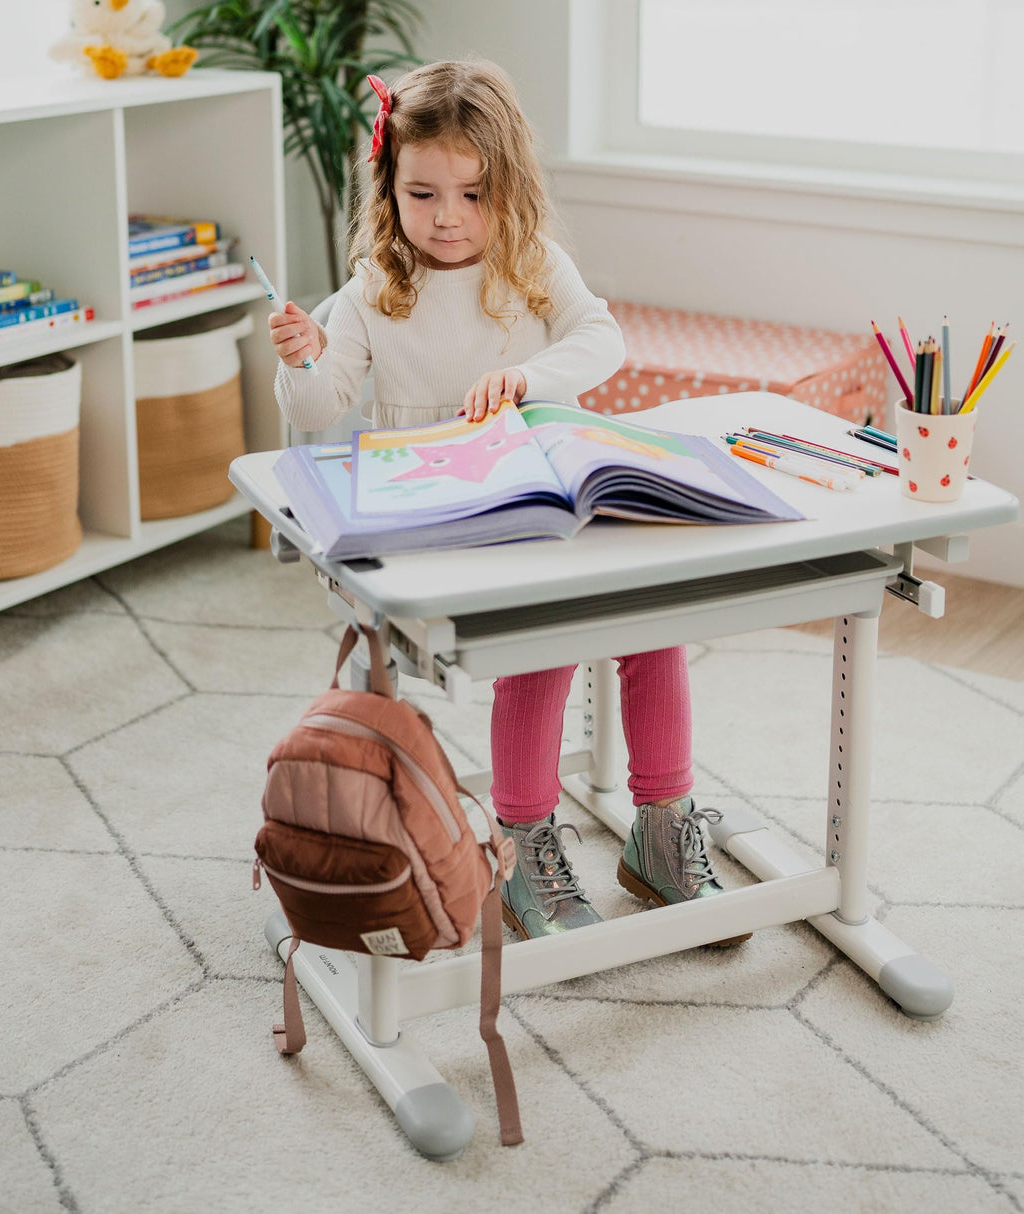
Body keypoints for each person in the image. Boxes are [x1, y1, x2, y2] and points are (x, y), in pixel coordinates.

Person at [269, 58, 748, 946]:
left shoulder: (533, 264)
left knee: (655, 622)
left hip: (543, 504)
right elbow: (315, 406)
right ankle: (523, 840)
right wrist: (302, 355)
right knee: (545, 644)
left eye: (473, 193)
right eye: (422, 194)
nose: (448, 217)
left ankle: (661, 830)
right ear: (390, 189)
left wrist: (527, 374)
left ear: (509, 188)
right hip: (440, 529)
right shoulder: (375, 285)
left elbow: (601, 338)